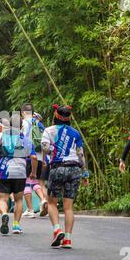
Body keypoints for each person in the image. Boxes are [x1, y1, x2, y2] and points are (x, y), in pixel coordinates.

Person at [42, 104, 89, 249]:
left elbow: (44, 147)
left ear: (56, 116)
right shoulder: (75, 133)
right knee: (69, 207)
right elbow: (80, 153)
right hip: (74, 169)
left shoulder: (48, 131)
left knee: (52, 203)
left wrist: (46, 157)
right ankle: (67, 239)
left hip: (58, 168)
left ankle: (57, 229)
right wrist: (85, 172)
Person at [0, 114, 37, 235]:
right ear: (21, 126)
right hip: (20, 172)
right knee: (18, 200)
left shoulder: (1, 135)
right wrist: (33, 172)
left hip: (3, 170)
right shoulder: (26, 139)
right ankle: (16, 225)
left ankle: (5, 214)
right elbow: (34, 157)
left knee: (2, 199)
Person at [21, 104, 48, 218]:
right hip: (41, 156)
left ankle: (30, 209)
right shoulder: (40, 124)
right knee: (36, 182)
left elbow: (23, 138)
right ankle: (43, 200)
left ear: (23, 112)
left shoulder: (24, 123)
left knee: (26, 182)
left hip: (29, 156)